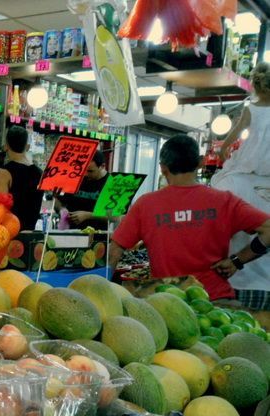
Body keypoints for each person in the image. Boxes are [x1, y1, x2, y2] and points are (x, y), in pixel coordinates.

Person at [109, 134, 270, 302]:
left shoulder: (145, 204)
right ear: (200, 162)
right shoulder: (225, 201)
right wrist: (237, 261)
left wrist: (102, 288)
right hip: (214, 301)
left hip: (166, 302)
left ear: (163, 168)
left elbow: (115, 250)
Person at [210, 62, 270, 309]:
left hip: (234, 283)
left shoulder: (228, 186)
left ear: (254, 84)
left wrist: (224, 149)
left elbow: (209, 236)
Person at [0, 126, 44, 231]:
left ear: (6, 146)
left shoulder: (3, 173)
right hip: (30, 234)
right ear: (27, 147)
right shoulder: (40, 173)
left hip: (8, 235)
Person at [56, 150, 110, 229]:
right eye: (84, 170)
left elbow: (116, 217)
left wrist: (88, 215)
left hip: (97, 235)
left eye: (90, 171)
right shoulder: (75, 178)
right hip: (70, 233)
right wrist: (62, 210)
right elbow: (58, 200)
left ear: (102, 166)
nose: (86, 174)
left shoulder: (111, 184)